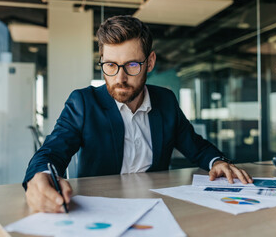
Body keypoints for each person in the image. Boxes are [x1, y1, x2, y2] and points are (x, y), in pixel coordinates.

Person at [23, 15, 253, 213]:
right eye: (110, 65)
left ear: (149, 62)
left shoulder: (166, 101)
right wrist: (40, 176)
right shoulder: (84, 102)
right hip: (102, 208)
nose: (119, 78)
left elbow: (197, 146)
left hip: (156, 206)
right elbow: (52, 151)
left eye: (132, 65)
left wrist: (218, 162)